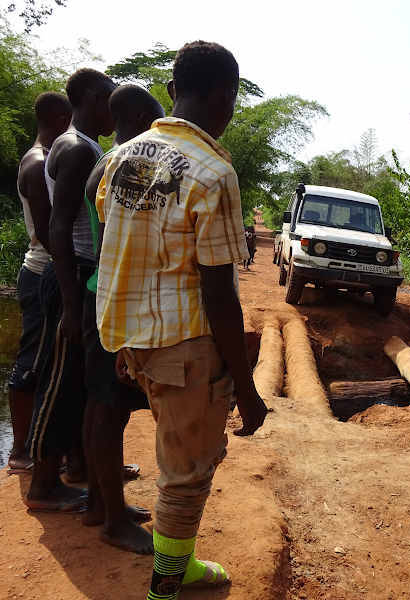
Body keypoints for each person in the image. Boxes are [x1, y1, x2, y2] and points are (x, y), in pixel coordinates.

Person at [95, 41, 268, 599]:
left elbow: (120, 249)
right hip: (187, 345)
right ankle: (166, 587)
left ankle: (180, 566)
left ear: (173, 91)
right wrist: (246, 386)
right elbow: (219, 292)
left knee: (177, 460)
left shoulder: (119, 157)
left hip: (133, 340)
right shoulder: (214, 172)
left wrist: (125, 344)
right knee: (186, 475)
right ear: (226, 98)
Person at [80, 84, 166, 554]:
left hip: (105, 299)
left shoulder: (105, 166)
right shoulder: (120, 168)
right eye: (153, 119)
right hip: (111, 304)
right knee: (107, 410)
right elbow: (126, 253)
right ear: (134, 116)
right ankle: (113, 519)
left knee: (102, 408)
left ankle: (102, 503)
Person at [26, 69, 116, 513]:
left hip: (78, 277)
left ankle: (75, 470)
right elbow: (57, 228)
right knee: (57, 384)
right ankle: (42, 482)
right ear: (92, 99)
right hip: (71, 278)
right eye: (109, 101)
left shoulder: (84, 145)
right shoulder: (78, 148)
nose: (113, 112)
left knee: (75, 383)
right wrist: (70, 301)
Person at [7, 92, 71, 474]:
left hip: (48, 271)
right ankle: (19, 450)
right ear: (61, 116)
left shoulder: (47, 160)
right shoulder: (38, 162)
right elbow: (51, 232)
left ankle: (53, 449)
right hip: (42, 272)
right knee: (31, 363)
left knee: (51, 364)